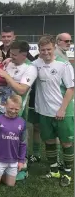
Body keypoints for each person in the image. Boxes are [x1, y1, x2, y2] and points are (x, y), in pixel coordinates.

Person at [33, 36, 74, 187]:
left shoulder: (64, 65)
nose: (46, 52)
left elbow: (71, 89)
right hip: (44, 111)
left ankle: (68, 173)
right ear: (39, 50)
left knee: (66, 142)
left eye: (49, 49)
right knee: (49, 141)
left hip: (63, 111)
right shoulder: (36, 64)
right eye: (42, 50)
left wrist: (62, 109)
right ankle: (54, 169)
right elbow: (24, 65)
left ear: (54, 48)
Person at [0, 41, 37, 122]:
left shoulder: (30, 68)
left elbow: (21, 90)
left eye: (14, 55)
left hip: (14, 111)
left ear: (24, 55)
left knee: (11, 134)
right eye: (10, 53)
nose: (11, 56)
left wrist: (6, 76)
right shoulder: (8, 63)